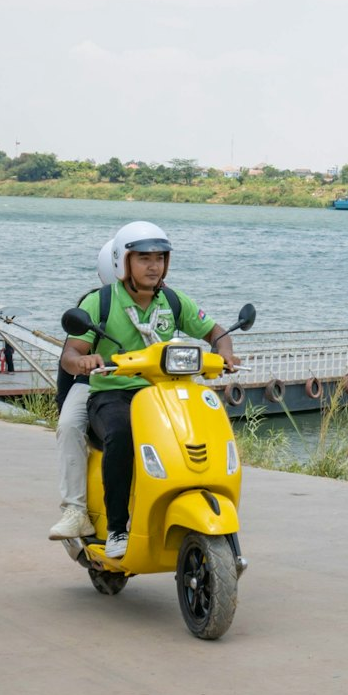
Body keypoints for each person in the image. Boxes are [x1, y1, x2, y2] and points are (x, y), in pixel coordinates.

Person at [59, 221, 238, 558]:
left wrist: (224, 351)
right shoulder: (100, 302)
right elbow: (70, 354)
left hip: (164, 392)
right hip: (113, 392)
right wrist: (83, 362)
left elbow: (216, 330)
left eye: (160, 257)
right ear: (123, 262)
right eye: (143, 258)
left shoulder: (173, 300)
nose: (153, 265)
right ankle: (116, 529)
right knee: (122, 433)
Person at [48, 240, 114, 540]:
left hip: (149, 383)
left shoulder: (165, 301)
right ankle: (75, 509)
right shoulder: (96, 302)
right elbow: (69, 357)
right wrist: (64, 402)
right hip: (94, 381)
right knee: (70, 426)